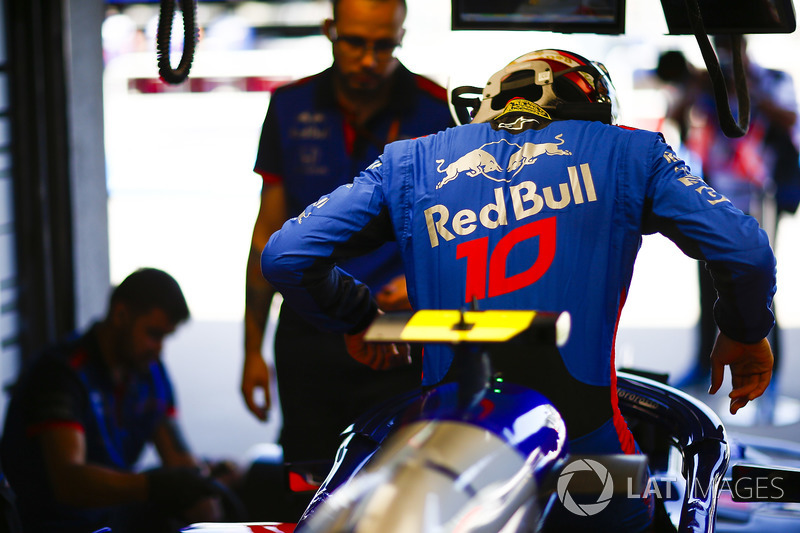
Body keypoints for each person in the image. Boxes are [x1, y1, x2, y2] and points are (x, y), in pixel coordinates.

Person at [260, 49, 776, 531]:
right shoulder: (631, 151)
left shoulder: (410, 161)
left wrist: (356, 316)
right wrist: (744, 331)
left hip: (451, 451)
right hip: (589, 454)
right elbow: (746, 249)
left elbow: (286, 256)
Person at [241, 0, 453, 464]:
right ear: (329, 30)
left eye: (384, 46)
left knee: (402, 483)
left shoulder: (437, 111)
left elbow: (460, 228)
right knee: (310, 480)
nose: (369, 60)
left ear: (401, 36)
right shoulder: (289, 106)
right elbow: (266, 235)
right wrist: (251, 351)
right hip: (309, 325)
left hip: (400, 332)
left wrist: (426, 287)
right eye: (355, 43)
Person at [1, 268, 224, 533]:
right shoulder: (61, 373)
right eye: (153, 334)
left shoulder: (150, 373)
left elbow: (179, 461)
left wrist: (204, 478)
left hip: (112, 520)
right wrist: (153, 485)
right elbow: (69, 482)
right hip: (56, 525)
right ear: (120, 315)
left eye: (166, 338)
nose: (159, 349)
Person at [659, 40, 798, 408]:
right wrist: (701, 86)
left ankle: (771, 370)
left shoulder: (771, 79)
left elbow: (791, 119)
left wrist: (750, 92)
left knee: (762, 282)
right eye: (719, 45)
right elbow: (674, 119)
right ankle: (703, 363)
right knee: (709, 285)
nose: (723, 52)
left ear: (745, 45)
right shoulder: (707, 84)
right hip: (712, 193)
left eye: (730, 45)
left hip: (760, 192)